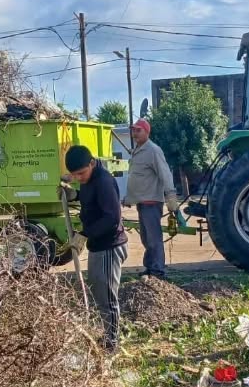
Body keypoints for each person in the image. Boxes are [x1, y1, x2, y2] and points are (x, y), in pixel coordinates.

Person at [63, 145, 128, 353]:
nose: (79, 178)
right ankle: (108, 336)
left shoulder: (103, 181)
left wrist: (85, 234)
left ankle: (112, 344)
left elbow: (112, 218)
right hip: (98, 246)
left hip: (110, 245)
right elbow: (89, 201)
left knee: (107, 298)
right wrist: (72, 195)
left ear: (92, 163)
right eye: (75, 175)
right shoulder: (89, 180)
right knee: (100, 294)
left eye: (81, 173)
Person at [125, 118, 180, 278]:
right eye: (133, 130)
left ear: (146, 132)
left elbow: (165, 174)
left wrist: (171, 198)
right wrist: (128, 198)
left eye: (138, 130)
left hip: (152, 202)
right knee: (146, 238)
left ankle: (158, 270)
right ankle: (150, 267)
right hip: (142, 202)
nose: (135, 133)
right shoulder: (138, 150)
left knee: (153, 237)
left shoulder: (153, 150)